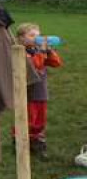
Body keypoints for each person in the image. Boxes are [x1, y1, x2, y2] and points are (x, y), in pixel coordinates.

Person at [16, 23, 63, 158]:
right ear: (21, 38)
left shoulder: (37, 50)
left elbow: (56, 63)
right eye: (31, 35)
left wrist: (49, 51)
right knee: (28, 118)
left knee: (40, 119)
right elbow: (35, 65)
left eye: (38, 35)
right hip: (28, 93)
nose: (36, 38)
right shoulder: (21, 52)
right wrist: (41, 52)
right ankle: (20, 139)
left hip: (40, 92)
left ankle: (37, 141)